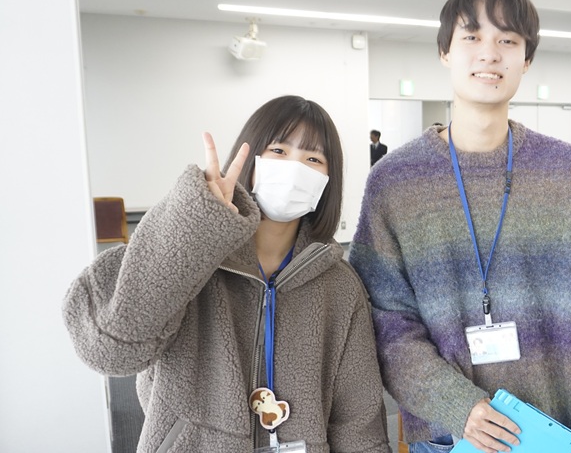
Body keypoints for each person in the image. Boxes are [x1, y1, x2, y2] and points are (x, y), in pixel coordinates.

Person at [348, 0, 571, 453]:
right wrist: (457, 404)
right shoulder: (394, 182)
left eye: (507, 40)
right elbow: (384, 324)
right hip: (449, 435)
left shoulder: (565, 170)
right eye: (472, 37)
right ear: (445, 51)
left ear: (526, 60)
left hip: (551, 430)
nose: (489, 54)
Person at [63, 95, 391, 453]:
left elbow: (359, 423)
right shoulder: (192, 257)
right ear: (250, 159)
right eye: (278, 150)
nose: (295, 167)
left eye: (313, 159)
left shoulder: (340, 285)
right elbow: (109, 352)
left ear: (328, 179)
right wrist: (195, 224)